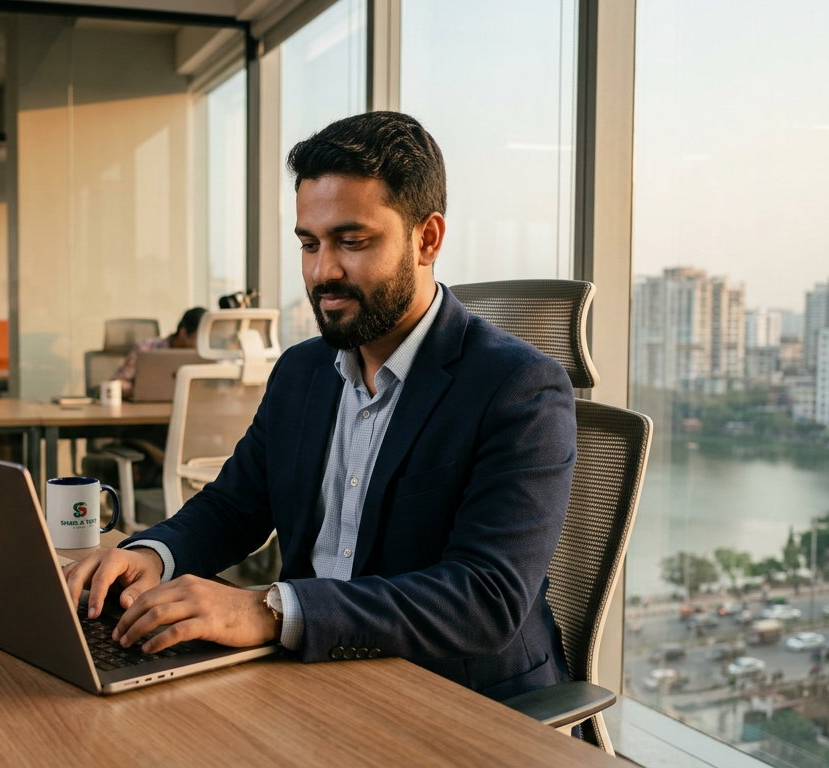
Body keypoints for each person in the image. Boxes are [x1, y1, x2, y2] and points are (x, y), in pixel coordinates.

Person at [63, 112, 578, 702]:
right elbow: (235, 508)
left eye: (351, 242)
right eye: (309, 244)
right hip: (312, 678)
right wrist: (155, 556)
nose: (321, 272)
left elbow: (485, 600)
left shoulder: (519, 388)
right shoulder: (303, 371)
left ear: (427, 239)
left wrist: (269, 609)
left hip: (455, 699)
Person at [109, 307, 206, 397]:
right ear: (183, 333)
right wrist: (141, 392)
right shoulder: (145, 349)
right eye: (198, 339)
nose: (203, 344)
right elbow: (116, 384)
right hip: (146, 409)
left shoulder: (207, 355)